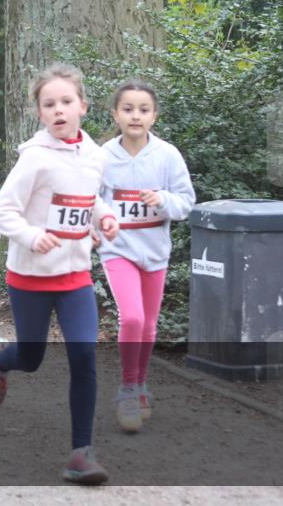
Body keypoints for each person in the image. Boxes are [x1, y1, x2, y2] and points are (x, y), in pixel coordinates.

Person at [0, 63, 118, 485]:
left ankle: (82, 453)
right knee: (31, 357)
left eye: (66, 102)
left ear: (82, 105)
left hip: (76, 274)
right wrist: (31, 235)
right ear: (40, 113)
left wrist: (105, 218)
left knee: (83, 354)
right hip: (29, 278)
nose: (58, 110)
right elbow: (2, 210)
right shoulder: (35, 159)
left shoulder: (95, 155)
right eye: (49, 104)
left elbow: (88, 199)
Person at [98, 79, 195, 432]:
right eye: (128, 109)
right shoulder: (104, 156)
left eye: (143, 110)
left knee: (150, 326)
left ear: (154, 116)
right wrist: (101, 222)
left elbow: (186, 202)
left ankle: (140, 384)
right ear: (115, 114)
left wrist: (163, 200)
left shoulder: (167, 155)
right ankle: (126, 387)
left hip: (155, 250)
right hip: (118, 248)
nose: (135, 116)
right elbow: (89, 198)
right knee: (133, 319)